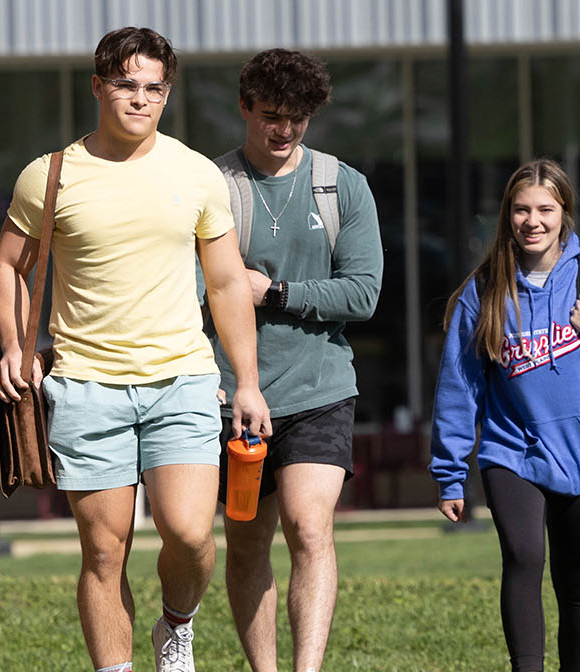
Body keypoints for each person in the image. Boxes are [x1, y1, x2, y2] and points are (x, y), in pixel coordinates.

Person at [0, 26, 273, 672]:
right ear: (98, 86)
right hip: (86, 385)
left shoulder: (197, 174)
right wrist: (14, 345)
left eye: (153, 89)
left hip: (182, 380)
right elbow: (6, 266)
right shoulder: (50, 175)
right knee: (103, 549)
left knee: (192, 533)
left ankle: (176, 625)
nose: (139, 99)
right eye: (126, 85)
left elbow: (227, 283)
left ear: (166, 94)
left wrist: (247, 382)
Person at [429, 159, 580, 672]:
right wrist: (450, 474)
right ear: (507, 216)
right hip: (512, 453)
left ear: (564, 213)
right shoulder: (483, 293)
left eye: (545, 209)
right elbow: (459, 389)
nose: (534, 220)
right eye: (522, 209)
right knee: (523, 562)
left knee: (576, 586)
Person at [208, 48, 384, 672]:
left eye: (298, 118)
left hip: (320, 386)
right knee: (247, 541)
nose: (284, 129)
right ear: (245, 108)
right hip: (233, 396)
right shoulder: (214, 186)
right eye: (272, 115)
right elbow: (188, 292)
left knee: (310, 529)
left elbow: (363, 293)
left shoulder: (342, 185)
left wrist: (276, 292)